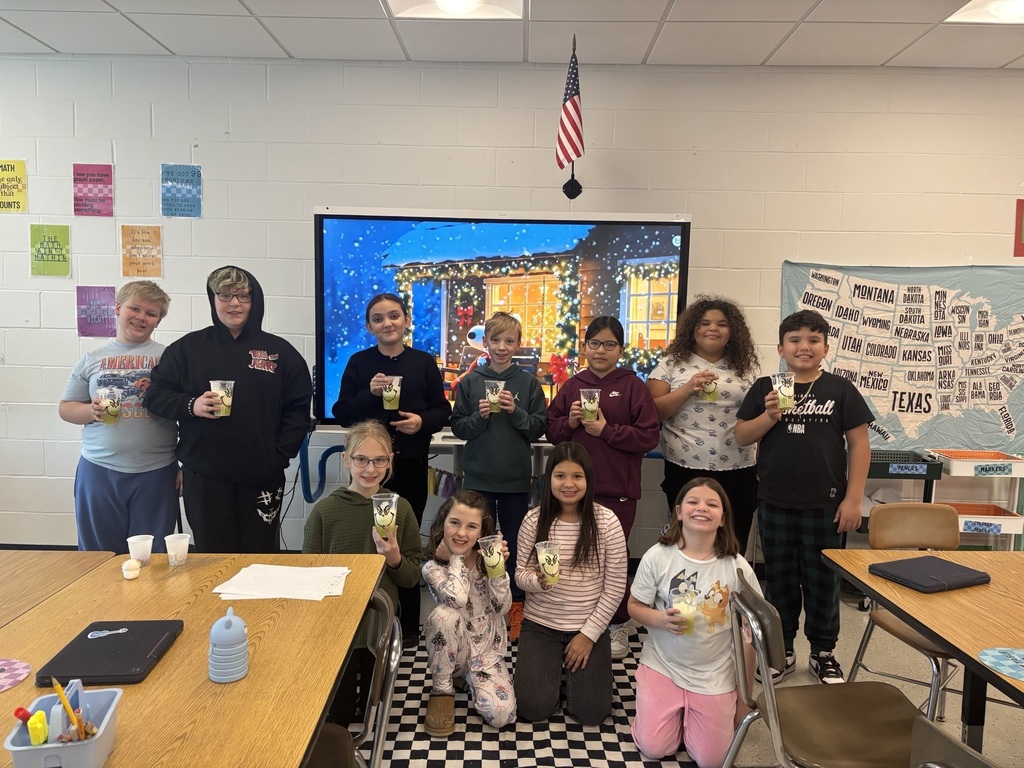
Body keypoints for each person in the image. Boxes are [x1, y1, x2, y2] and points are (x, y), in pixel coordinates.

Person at [736, 309, 873, 684]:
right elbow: (742, 436)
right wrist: (769, 417)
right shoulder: (766, 385)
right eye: (795, 340)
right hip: (775, 501)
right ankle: (782, 651)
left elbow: (860, 444)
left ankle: (824, 652)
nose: (804, 347)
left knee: (822, 582)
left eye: (813, 340)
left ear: (826, 348)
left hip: (827, 505)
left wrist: (853, 499)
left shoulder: (840, 389)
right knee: (778, 580)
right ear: (781, 347)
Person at [145, 265, 312, 553]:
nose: (234, 303)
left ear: (255, 300)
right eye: (225, 295)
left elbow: (297, 409)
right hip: (205, 478)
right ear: (213, 299)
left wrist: (278, 456)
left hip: (262, 478)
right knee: (211, 559)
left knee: (259, 560)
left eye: (243, 296)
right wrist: (191, 404)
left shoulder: (280, 352)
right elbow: (154, 396)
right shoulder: (187, 349)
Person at [332, 292, 452, 647]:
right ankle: (363, 614)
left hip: (410, 464)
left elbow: (442, 411)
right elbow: (341, 414)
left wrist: (422, 422)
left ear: (406, 321)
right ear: (370, 326)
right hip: (368, 469)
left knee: (407, 544)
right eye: (379, 318)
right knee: (366, 538)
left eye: (394, 316)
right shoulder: (359, 362)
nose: (388, 323)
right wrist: (368, 394)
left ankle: (409, 626)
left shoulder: (423, 362)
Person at [545, 316, 659, 659]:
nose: (601, 350)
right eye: (594, 343)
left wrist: (607, 430)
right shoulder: (572, 384)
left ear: (620, 350)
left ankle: (618, 622)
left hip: (617, 491)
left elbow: (649, 436)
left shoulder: (633, 386)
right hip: (574, 492)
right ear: (584, 347)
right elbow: (552, 432)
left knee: (613, 560)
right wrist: (571, 422)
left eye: (609, 344)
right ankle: (577, 616)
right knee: (576, 558)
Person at [628, 478, 759, 767]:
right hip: (664, 665)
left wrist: (744, 698)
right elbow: (634, 607)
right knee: (653, 747)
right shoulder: (658, 557)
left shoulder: (737, 568)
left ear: (723, 518)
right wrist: (659, 619)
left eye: (712, 504)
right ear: (678, 512)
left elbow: (751, 638)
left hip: (714, 674)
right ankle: (672, 710)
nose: (702, 508)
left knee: (712, 760)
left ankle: (693, 715)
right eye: (693, 502)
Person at [302, 419, 423, 724]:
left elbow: (411, 577)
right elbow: (307, 576)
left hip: (377, 625)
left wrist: (394, 558)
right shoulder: (325, 512)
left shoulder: (402, 509)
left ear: (390, 462)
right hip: (336, 626)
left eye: (379, 460)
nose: (370, 469)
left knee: (375, 709)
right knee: (337, 716)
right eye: (361, 460)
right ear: (346, 459)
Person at [59, 280, 179, 553]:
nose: (141, 317)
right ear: (117, 309)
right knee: (98, 557)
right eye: (134, 308)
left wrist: (187, 466)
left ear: (157, 321)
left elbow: (187, 412)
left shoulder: (170, 358)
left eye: (151, 313)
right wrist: (90, 411)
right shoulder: (93, 359)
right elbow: (66, 407)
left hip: (157, 471)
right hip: (99, 470)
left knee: (152, 558)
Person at [513, 442, 627, 725]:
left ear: (588, 479)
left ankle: (571, 669)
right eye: (560, 475)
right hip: (541, 625)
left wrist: (588, 635)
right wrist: (538, 581)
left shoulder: (606, 521)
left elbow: (614, 587)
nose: (568, 484)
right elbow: (519, 575)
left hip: (588, 624)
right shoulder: (533, 519)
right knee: (532, 708)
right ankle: (553, 668)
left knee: (593, 713)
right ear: (548, 478)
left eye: (577, 476)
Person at [450, 311, 547, 642]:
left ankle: (517, 608)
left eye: (509, 341)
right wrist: (478, 417)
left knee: (517, 545)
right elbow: (458, 427)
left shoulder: (529, 383)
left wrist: (515, 412)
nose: (502, 347)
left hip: (515, 479)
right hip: (477, 479)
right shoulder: (471, 382)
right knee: (477, 543)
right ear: (486, 343)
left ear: (518, 344)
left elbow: (538, 428)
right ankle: (479, 604)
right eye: (496, 340)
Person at [647, 296, 760, 556]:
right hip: (685, 468)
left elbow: (757, 417)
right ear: (692, 329)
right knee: (686, 542)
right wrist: (687, 389)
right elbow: (653, 411)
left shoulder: (746, 368)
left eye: (722, 324)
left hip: (739, 468)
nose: (713, 328)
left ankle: (729, 595)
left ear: (732, 331)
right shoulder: (671, 364)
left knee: (734, 541)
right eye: (705, 323)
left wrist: (761, 466)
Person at [421, 490, 516, 737]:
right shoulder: (432, 567)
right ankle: (443, 689)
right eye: (455, 523)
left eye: (471, 526)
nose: (462, 533)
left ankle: (472, 681)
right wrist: (455, 559)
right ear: (443, 524)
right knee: (444, 615)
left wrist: (497, 571)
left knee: (502, 715)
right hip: (455, 647)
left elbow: (503, 608)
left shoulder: (488, 560)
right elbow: (458, 598)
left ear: (481, 533)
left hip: (486, 653)